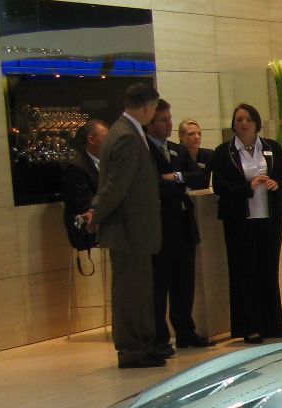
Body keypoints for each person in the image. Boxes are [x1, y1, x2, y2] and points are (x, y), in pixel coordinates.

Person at [90, 83, 165, 369]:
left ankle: (143, 344)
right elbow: (116, 187)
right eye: (154, 108)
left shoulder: (127, 132)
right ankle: (132, 348)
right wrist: (96, 214)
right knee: (130, 292)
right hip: (128, 229)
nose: (154, 113)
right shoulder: (125, 136)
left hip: (136, 230)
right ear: (146, 107)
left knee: (140, 290)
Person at [212, 103, 282, 344]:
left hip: (269, 218)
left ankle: (272, 324)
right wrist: (247, 186)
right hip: (240, 221)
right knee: (244, 272)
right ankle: (250, 327)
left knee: (268, 270)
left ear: (257, 123)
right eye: (239, 119)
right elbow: (220, 186)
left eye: (248, 119)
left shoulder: (271, 148)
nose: (243, 123)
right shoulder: (224, 152)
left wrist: (277, 185)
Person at [146, 99, 213, 354]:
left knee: (184, 282)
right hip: (162, 226)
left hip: (185, 224)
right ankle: (160, 337)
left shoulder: (177, 150)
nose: (168, 124)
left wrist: (176, 176)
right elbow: (155, 185)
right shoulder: (144, 151)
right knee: (160, 285)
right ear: (150, 122)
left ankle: (185, 331)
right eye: (163, 120)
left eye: (169, 119)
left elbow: (201, 177)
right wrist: (180, 183)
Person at [60, 118, 106, 252]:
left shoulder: (109, 163)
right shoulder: (77, 167)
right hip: (86, 230)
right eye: (105, 138)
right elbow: (85, 206)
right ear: (91, 140)